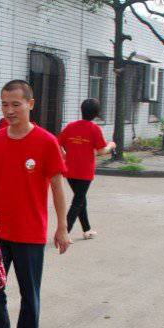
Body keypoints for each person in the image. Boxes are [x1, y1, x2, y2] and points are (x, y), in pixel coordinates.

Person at [0, 80, 71, 328]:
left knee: (29, 294)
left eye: (16, 104)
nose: (9, 110)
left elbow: (57, 187)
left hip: (30, 231)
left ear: (30, 104)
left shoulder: (46, 142)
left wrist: (62, 226)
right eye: (5, 104)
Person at [58, 99, 115, 239]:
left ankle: (87, 230)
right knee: (78, 202)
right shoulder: (94, 129)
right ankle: (64, 232)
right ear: (96, 113)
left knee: (80, 199)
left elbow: (57, 143)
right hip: (85, 172)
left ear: (81, 110)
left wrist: (64, 154)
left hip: (70, 170)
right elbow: (101, 150)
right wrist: (111, 145)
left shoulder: (71, 126)